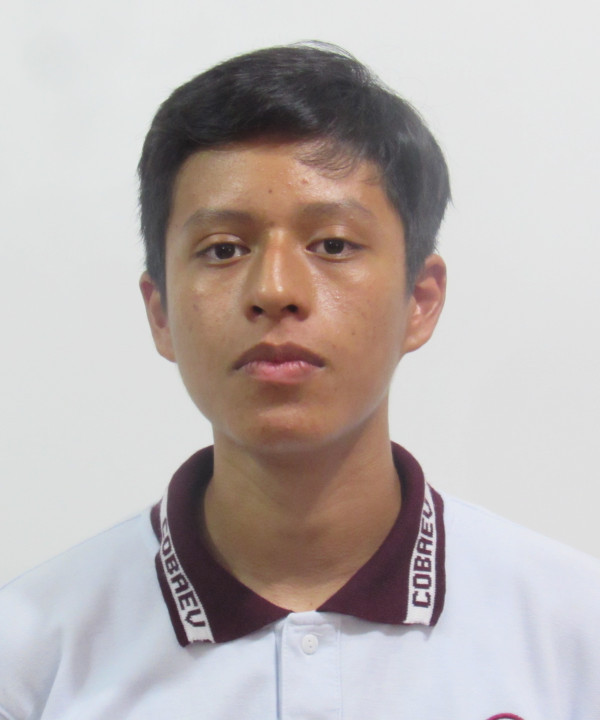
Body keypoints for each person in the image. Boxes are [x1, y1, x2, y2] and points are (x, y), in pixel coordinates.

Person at [1, 43, 599, 720]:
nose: (275, 290)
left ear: (421, 299)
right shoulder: (28, 656)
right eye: (224, 249)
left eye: (333, 245)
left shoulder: (574, 633)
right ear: (160, 311)